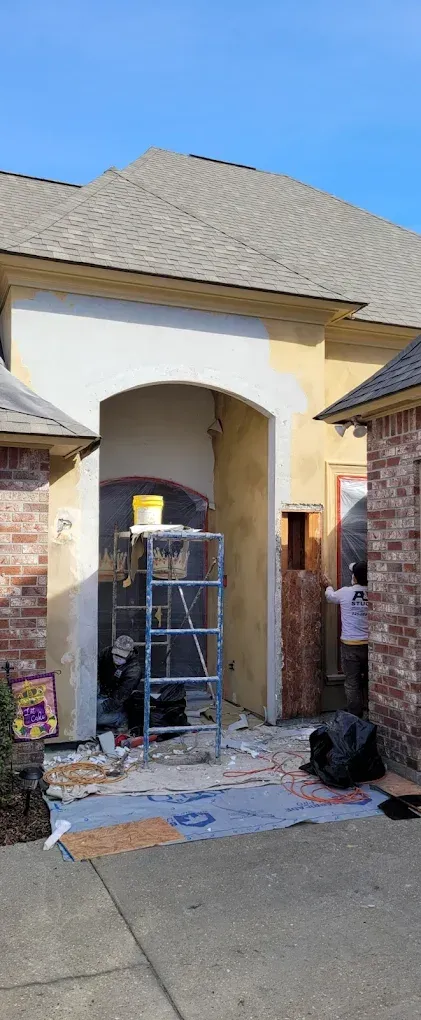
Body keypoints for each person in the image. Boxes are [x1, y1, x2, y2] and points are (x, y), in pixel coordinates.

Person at [322, 561, 368, 718]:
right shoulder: (375, 593)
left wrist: (328, 585)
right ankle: (372, 711)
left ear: (354, 577)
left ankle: (356, 716)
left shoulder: (345, 592)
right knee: (370, 680)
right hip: (370, 646)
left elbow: (329, 597)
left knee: (352, 682)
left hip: (350, 645)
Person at [97, 634, 143, 730]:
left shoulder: (134, 670)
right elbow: (93, 668)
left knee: (92, 717)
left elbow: (122, 695)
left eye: (121, 656)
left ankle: (120, 719)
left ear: (130, 654)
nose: (117, 658)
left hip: (119, 700)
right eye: (116, 655)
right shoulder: (107, 652)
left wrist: (104, 707)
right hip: (102, 691)